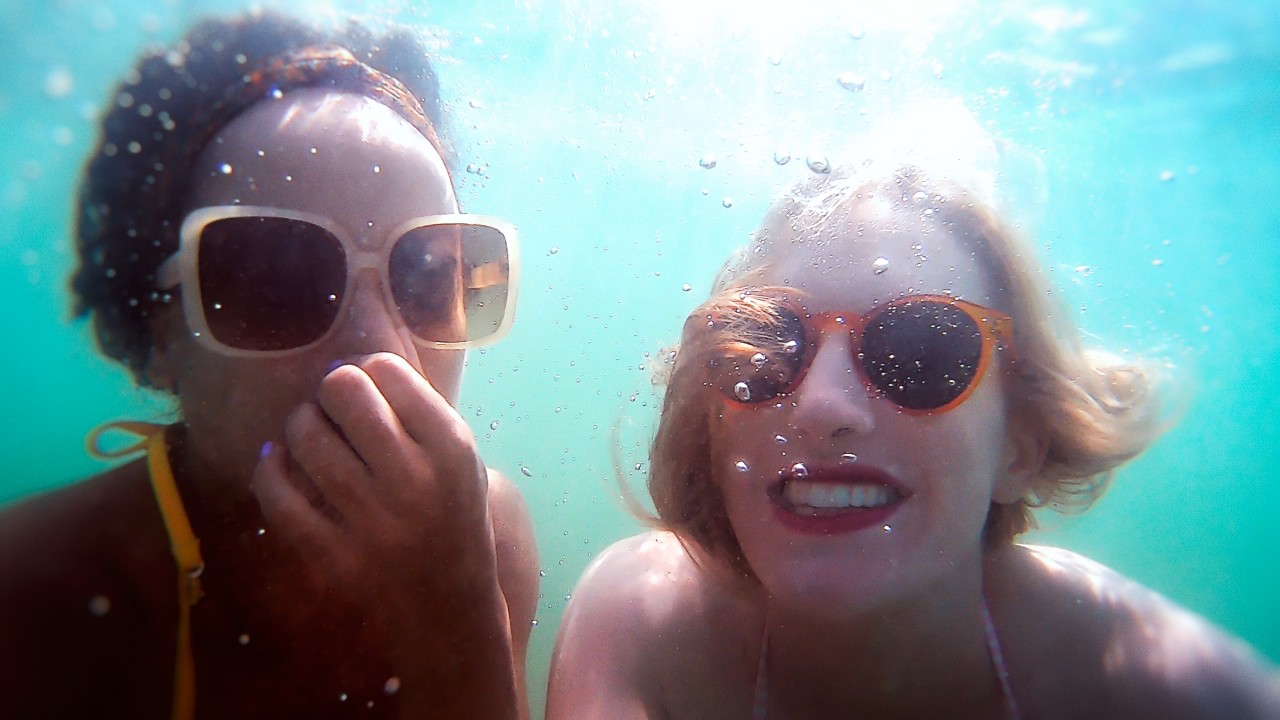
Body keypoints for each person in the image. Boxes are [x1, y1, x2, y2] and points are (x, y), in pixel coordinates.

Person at [546, 148, 1280, 718]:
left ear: (1019, 444)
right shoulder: (641, 620)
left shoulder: (1153, 679)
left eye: (922, 350)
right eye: (768, 349)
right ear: (712, 426)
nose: (823, 406)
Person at [0, 11, 538, 719]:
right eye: (276, 280)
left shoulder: (485, 539)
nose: (379, 350)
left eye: (428, 278)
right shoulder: (34, 586)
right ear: (159, 337)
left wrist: (460, 628)